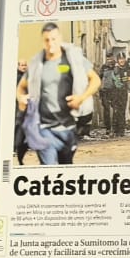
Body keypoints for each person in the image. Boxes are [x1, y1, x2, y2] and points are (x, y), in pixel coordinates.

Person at [16, 22, 101, 165]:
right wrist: (21, 98)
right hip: (44, 127)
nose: (50, 44)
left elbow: (96, 80)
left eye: (53, 39)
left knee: (65, 167)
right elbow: (21, 87)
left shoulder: (73, 59)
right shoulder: (37, 63)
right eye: (47, 40)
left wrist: (81, 97)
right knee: (50, 168)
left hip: (68, 126)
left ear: (59, 38)